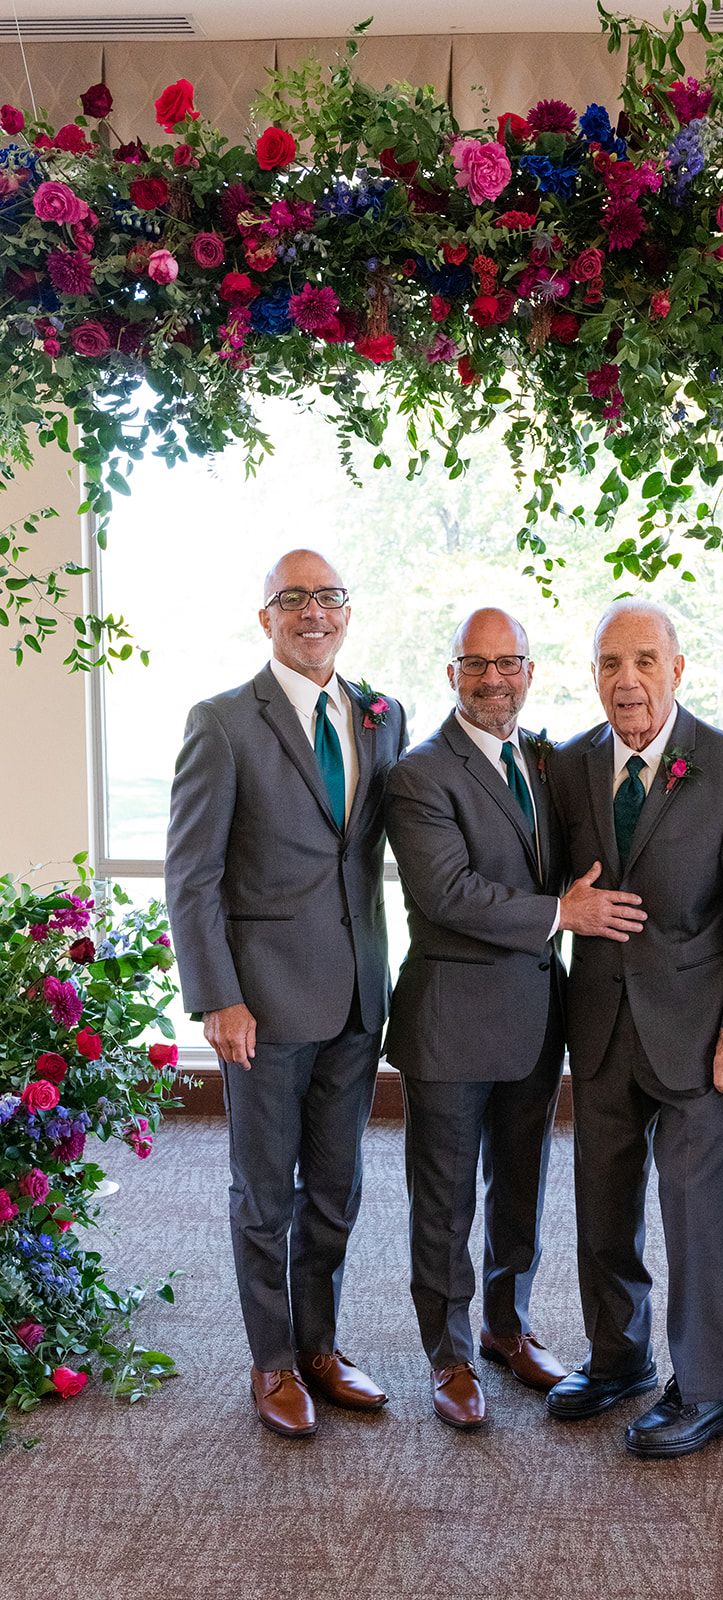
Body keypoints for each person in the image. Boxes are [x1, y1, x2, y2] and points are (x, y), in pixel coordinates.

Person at [165, 548, 407, 1439]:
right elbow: (191, 876)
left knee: (336, 1188)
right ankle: (271, 1363)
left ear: (348, 610)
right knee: (264, 1193)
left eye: (330, 597)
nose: (315, 613)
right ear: (265, 616)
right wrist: (216, 997)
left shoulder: (383, 717)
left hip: (355, 999)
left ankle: (320, 1346)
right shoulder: (224, 723)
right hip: (259, 1007)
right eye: (294, 599)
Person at [384, 607, 643, 1430]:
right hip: (451, 1024)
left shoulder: (545, 758)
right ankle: (449, 1354)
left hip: (537, 1020)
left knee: (519, 1190)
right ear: (451, 673)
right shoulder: (420, 774)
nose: (494, 678)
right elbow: (446, 894)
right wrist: (560, 914)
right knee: (445, 1197)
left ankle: (506, 1327)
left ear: (531, 671)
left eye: (509, 663)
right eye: (476, 664)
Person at [546, 600, 723, 1458]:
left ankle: (709, 1389)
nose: (626, 680)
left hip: (700, 1033)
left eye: (644, 660)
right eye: (609, 663)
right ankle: (617, 1359)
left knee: (698, 1218)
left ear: (678, 669)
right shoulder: (568, 767)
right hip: (599, 1025)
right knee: (602, 1210)